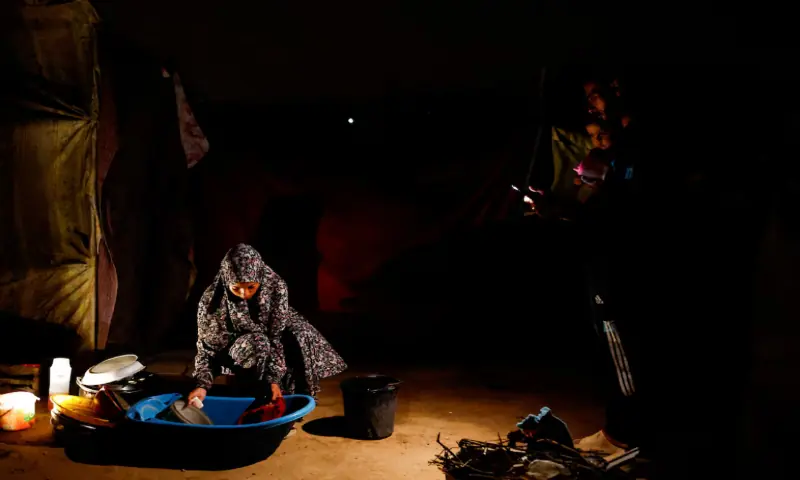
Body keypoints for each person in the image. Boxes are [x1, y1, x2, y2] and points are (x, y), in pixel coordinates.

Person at [187, 244, 347, 407]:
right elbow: (207, 350)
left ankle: (295, 396)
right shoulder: (211, 301)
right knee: (259, 343)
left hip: (270, 337)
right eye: (236, 288)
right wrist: (202, 385)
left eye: (251, 287)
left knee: (300, 333)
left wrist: (274, 379)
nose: (244, 294)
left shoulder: (276, 286)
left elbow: (275, 337)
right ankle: (257, 394)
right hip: (237, 345)